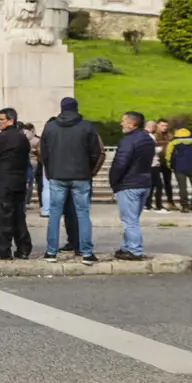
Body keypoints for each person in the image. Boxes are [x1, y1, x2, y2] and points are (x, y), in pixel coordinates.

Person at [39, 97, 101, 264]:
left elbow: (43, 152)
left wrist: (50, 170)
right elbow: (95, 152)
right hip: (81, 175)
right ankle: (86, 252)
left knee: (54, 214)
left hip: (58, 175)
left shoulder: (50, 127)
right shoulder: (86, 126)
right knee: (83, 214)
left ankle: (51, 252)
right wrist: (88, 170)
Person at [108, 111, 155, 261]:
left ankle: (134, 250)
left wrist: (113, 181)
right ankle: (127, 247)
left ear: (132, 123)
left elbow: (120, 163)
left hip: (129, 184)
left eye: (123, 121)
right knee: (133, 218)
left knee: (130, 219)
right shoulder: (147, 139)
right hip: (144, 182)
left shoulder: (128, 141)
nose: (121, 123)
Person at [0, 107, 33, 260]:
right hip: (19, 181)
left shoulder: (4, 137)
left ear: (10, 120)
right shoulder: (22, 137)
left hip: (5, 181)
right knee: (19, 217)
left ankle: (3, 250)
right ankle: (24, 248)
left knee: (5, 217)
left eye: (1, 120)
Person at [168, 128, 192, 212]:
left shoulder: (173, 143)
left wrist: (169, 166)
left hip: (179, 168)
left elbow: (168, 155)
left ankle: (185, 206)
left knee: (182, 187)